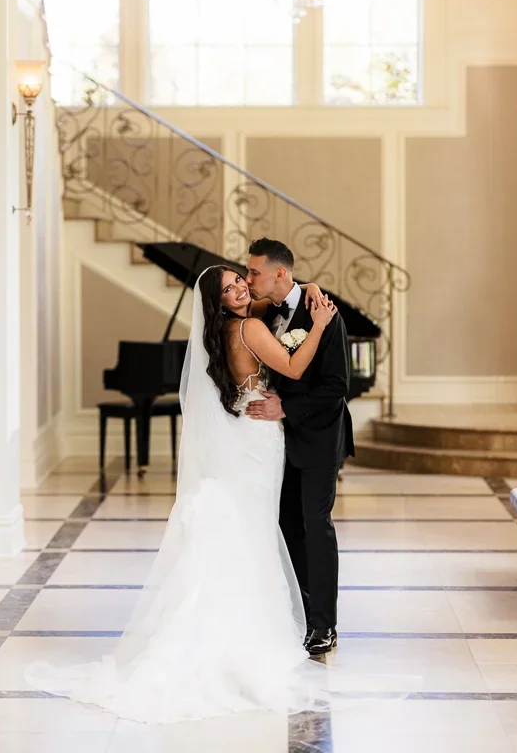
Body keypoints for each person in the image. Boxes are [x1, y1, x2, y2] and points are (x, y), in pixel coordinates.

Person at [26, 265, 341, 724]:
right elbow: (292, 366)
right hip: (259, 440)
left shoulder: (224, 330)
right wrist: (319, 325)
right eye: (232, 286)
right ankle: (247, 639)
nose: (242, 288)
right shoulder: (250, 326)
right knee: (253, 533)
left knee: (247, 531)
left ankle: (225, 631)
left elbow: (267, 299)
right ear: (221, 299)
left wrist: (306, 286)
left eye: (242, 281)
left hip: (243, 436)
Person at [245, 238, 354, 656]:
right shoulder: (262, 311)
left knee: (317, 526)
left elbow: (336, 386)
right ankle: (303, 613)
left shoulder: (322, 313)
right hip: (277, 444)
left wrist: (285, 409)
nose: (249, 278)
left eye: (255, 272)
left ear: (280, 273)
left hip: (319, 439)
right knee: (289, 527)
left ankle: (325, 626)